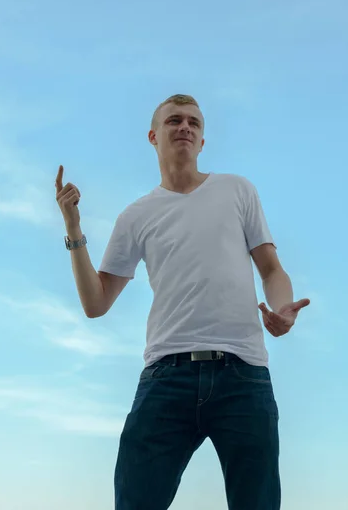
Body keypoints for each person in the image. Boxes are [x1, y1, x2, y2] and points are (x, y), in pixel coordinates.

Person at [55, 93, 310, 510]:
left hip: (243, 376)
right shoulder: (136, 216)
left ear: (203, 141)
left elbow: (271, 269)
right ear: (154, 136)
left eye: (194, 122)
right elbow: (96, 303)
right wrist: (73, 227)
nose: (185, 127)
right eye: (174, 120)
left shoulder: (237, 190)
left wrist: (282, 309)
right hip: (165, 377)